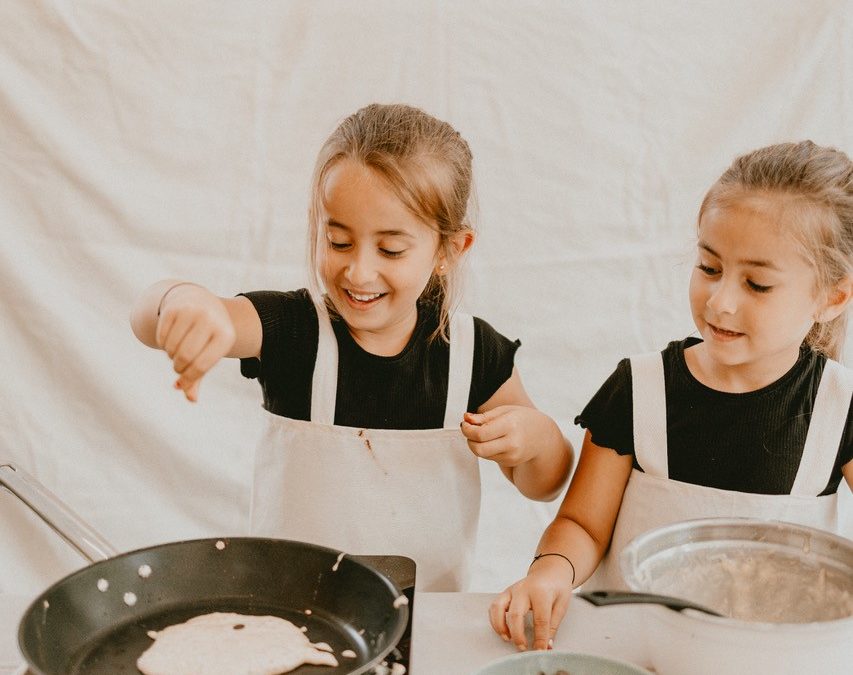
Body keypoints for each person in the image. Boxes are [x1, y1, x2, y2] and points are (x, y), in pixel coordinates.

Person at [130, 103, 573, 592]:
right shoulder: (295, 331)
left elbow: (546, 481)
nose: (359, 272)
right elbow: (147, 316)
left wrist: (532, 438)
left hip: (422, 624)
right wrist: (185, 303)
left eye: (390, 250)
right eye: (339, 241)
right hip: (293, 612)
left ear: (450, 250)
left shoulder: (474, 353)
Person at [490, 140, 853, 649]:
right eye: (709, 268)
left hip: (772, 659)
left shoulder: (840, 408)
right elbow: (582, 525)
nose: (721, 302)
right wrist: (551, 573)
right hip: (639, 651)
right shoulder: (639, 389)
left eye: (757, 284)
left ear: (831, 297)